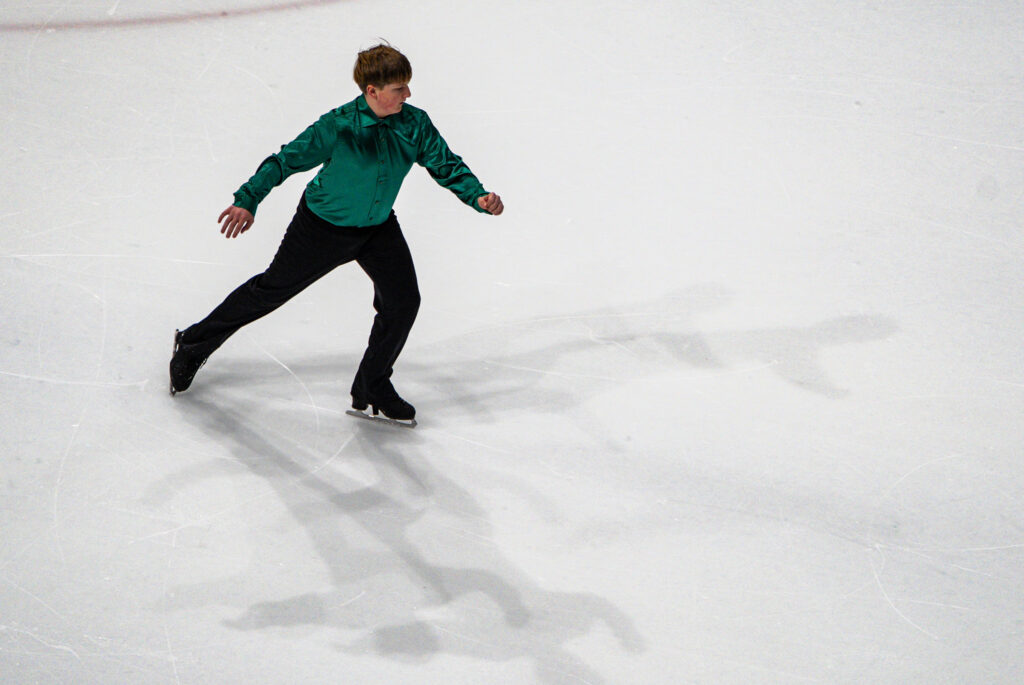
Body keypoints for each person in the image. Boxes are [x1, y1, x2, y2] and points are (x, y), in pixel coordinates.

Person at [169, 44, 503, 426]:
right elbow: (285, 160)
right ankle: (193, 343)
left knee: (403, 302)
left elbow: (446, 164)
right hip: (320, 229)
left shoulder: (415, 124)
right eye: (398, 88)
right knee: (270, 291)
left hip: (377, 228)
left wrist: (477, 196)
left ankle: (372, 386)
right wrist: (248, 199)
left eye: (407, 86)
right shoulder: (338, 126)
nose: (407, 95)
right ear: (371, 91)